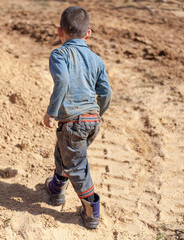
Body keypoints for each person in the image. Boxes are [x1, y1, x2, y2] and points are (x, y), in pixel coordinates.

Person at [43, 6, 112, 229]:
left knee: (78, 166)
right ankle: (56, 189)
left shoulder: (59, 54)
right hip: (92, 120)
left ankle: (91, 209)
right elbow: (106, 93)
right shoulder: (96, 59)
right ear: (88, 33)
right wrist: (97, 114)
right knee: (64, 152)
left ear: (59, 31)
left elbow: (62, 81)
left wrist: (51, 112)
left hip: (73, 121)